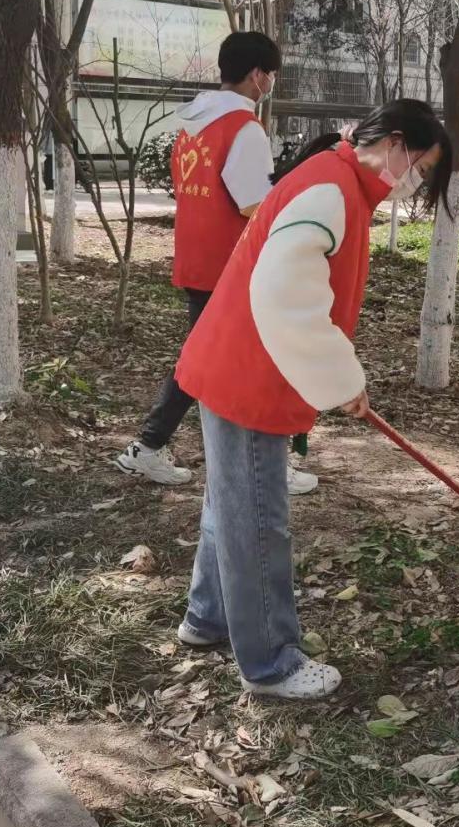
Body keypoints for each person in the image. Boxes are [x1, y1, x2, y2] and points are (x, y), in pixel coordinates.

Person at [171, 99, 452, 699]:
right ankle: (271, 662)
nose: (415, 182)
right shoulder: (331, 190)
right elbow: (286, 296)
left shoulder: (335, 179)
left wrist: (335, 375)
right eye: (422, 168)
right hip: (249, 373)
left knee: (230, 505)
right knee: (256, 518)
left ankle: (208, 617)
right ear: (394, 144)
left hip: (236, 362)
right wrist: (340, 380)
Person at [114, 31, 317, 494]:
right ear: (257, 74)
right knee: (255, 362)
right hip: (234, 267)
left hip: (199, 258)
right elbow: (253, 204)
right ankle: (265, 466)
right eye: (271, 75)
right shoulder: (244, 128)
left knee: (203, 359)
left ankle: (149, 446)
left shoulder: (194, 124)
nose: (271, 84)